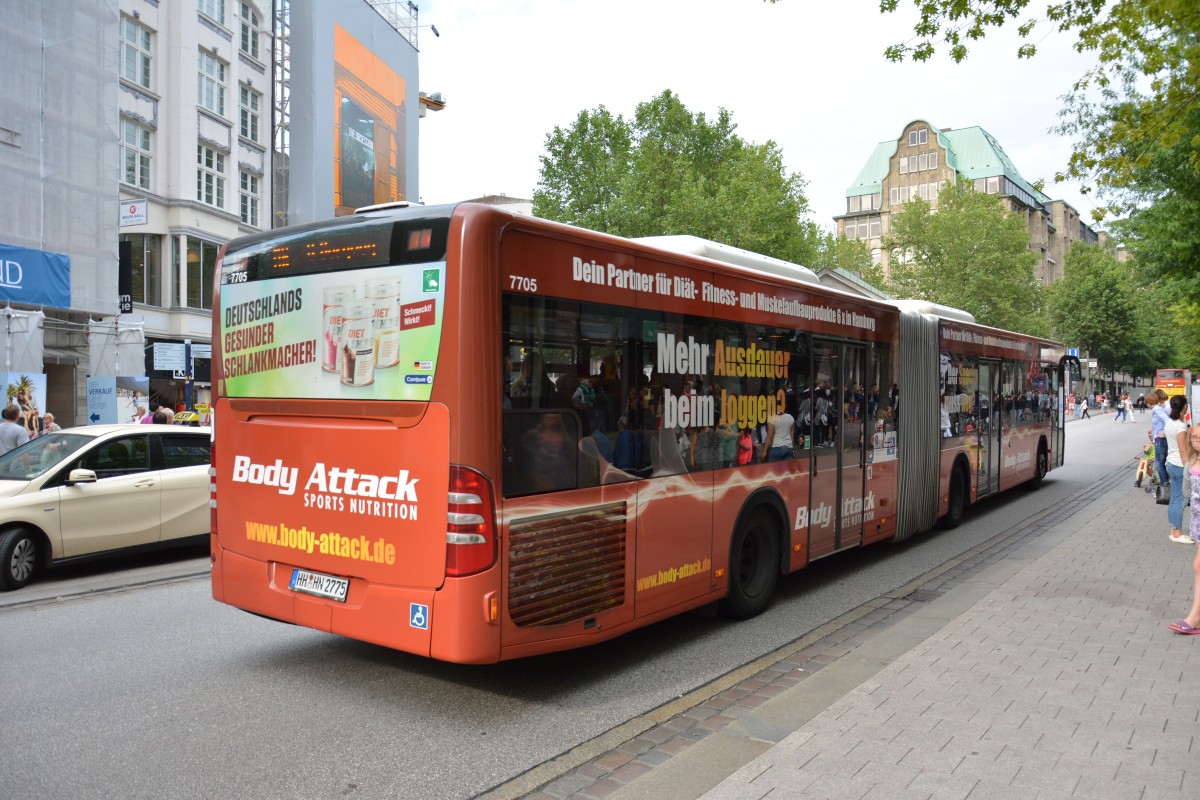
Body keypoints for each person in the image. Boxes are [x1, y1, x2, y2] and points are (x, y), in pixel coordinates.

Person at [1169, 425, 1200, 634]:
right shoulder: (1193, 462)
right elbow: (1186, 490)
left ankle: (1194, 617)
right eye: (1194, 437)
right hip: (1197, 523)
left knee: (1198, 566)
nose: (1197, 440)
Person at [1164, 395, 1190, 544]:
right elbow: (1183, 450)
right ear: (1184, 407)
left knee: (1174, 499)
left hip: (1171, 464)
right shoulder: (1180, 426)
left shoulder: (1170, 422)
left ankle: (1173, 531)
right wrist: (1189, 470)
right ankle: (1178, 534)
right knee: (1180, 500)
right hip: (1180, 466)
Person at [1150, 390, 1170, 487]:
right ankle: (1166, 484)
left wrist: (1165, 434)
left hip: (1161, 439)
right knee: (1162, 463)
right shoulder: (1161, 408)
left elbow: (1167, 420)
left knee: (1159, 463)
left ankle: (1165, 486)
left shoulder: (1157, 409)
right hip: (1161, 437)